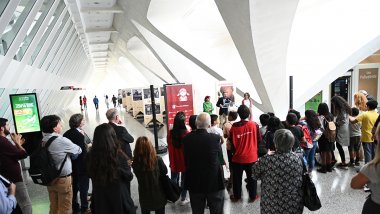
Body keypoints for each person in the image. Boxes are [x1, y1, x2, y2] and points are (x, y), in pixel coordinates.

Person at [87, 123, 135, 214]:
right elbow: (129, 176)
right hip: (118, 198)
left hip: (99, 198)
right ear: (113, 137)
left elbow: (88, 174)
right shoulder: (119, 155)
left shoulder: (90, 155)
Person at [252, 129, 304, 214]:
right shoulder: (299, 158)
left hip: (272, 202)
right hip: (293, 202)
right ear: (292, 142)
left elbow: (254, 175)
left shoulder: (266, 159)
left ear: (275, 142)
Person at [183, 113, 225, 214]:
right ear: (209, 125)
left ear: (196, 123)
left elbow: (186, 159)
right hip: (214, 181)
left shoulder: (186, 139)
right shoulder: (215, 138)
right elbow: (219, 157)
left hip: (194, 181)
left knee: (197, 210)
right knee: (216, 209)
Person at [40, 115, 82, 214]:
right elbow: (78, 150)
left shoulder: (42, 140)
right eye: (59, 123)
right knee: (65, 208)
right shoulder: (61, 140)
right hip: (62, 179)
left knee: (54, 206)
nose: (61, 125)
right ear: (54, 128)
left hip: (49, 178)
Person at [0, 118, 32, 214]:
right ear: (1, 128)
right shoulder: (2, 140)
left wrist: (17, 145)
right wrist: (17, 142)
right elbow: (23, 154)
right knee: (26, 204)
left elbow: (9, 154)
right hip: (14, 179)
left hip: (6, 178)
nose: (9, 127)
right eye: (7, 125)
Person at [229, 105, 260, 202]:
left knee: (237, 178)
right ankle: (253, 196)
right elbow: (259, 139)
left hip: (237, 157)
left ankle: (237, 196)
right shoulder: (254, 125)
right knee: (252, 178)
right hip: (252, 157)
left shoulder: (234, 126)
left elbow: (231, 141)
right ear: (249, 114)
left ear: (238, 114)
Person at [63, 114, 92, 213]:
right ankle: (84, 207)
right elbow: (82, 151)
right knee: (84, 187)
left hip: (71, 165)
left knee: (74, 187)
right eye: (82, 120)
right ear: (79, 122)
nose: (84, 121)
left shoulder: (66, 134)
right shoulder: (80, 135)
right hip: (82, 165)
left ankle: (75, 206)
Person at [132, 136, 167, 214]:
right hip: (158, 194)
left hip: (144, 194)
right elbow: (164, 171)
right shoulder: (158, 160)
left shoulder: (135, 163)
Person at [351, 124, 380, 213]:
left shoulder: (374, 168)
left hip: (375, 207)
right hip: (361, 137)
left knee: (367, 151)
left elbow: (354, 184)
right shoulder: (374, 114)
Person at [167, 111, 189, 205]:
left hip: (174, 159)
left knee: (174, 178)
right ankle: (183, 199)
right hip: (184, 160)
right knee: (184, 180)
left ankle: (173, 196)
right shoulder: (186, 133)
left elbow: (168, 144)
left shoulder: (170, 133)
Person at [331, 95, 351, 168]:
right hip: (343, 128)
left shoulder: (342, 110)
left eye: (333, 103)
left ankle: (343, 162)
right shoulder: (344, 108)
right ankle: (344, 161)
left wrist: (335, 123)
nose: (333, 105)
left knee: (339, 145)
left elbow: (342, 121)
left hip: (342, 128)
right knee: (339, 145)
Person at [317, 103, 335, 173]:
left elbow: (320, 127)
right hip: (331, 135)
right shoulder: (330, 115)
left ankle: (323, 168)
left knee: (323, 152)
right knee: (329, 151)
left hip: (323, 136)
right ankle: (329, 167)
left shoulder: (321, 117)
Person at [223, 111, 238, 190]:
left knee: (231, 164)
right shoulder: (238, 124)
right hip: (238, 148)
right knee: (238, 164)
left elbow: (225, 136)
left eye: (229, 115)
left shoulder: (226, 125)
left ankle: (231, 182)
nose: (228, 116)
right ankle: (236, 180)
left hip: (230, 148)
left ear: (231, 117)